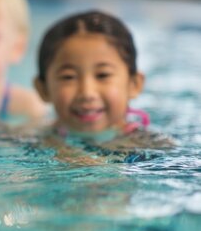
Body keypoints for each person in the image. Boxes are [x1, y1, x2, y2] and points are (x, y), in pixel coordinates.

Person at [33, 10, 170, 163]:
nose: (87, 92)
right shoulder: (37, 138)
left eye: (103, 75)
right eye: (68, 77)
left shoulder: (153, 145)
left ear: (134, 84)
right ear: (43, 89)